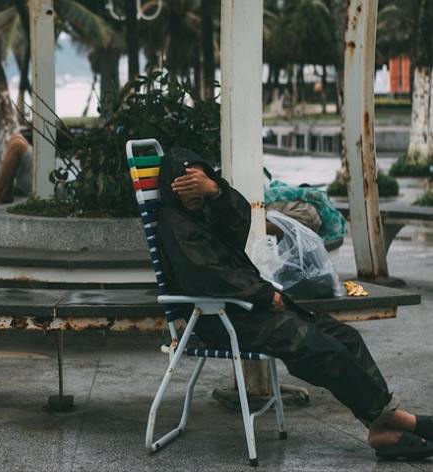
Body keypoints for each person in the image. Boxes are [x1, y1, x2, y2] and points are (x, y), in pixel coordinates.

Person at [156, 147, 433, 460]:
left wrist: (217, 192)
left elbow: (238, 225)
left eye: (200, 182)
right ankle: (393, 420)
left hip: (248, 308)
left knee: (345, 337)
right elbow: (206, 275)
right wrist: (263, 294)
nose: (195, 193)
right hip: (222, 318)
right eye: (187, 186)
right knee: (322, 349)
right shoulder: (175, 224)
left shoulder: (202, 209)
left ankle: (381, 423)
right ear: (172, 186)